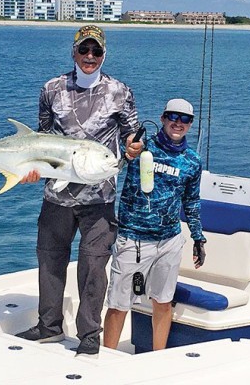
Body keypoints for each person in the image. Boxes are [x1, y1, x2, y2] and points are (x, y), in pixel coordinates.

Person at [16, 25, 142, 357]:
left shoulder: (119, 91)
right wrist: (30, 169)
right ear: (73, 52)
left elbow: (131, 136)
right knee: (49, 259)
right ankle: (49, 327)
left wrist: (133, 149)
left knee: (93, 265)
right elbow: (40, 138)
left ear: (104, 54)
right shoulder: (51, 89)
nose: (89, 57)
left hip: (99, 197)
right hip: (56, 194)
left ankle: (89, 335)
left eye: (96, 52)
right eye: (83, 51)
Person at [103, 98, 206, 351]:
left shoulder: (192, 161)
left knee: (163, 302)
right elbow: (114, 162)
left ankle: (157, 360)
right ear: (162, 118)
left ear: (190, 125)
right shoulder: (140, 146)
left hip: (169, 241)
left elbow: (191, 201)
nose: (178, 123)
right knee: (119, 304)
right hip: (133, 237)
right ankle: (106, 360)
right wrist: (127, 151)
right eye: (173, 116)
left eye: (185, 119)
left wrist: (198, 238)